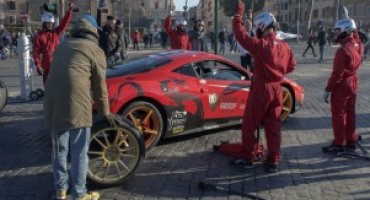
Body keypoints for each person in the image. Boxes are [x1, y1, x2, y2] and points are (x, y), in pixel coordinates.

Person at [44, 14, 121, 200]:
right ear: (94, 32)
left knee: (59, 150)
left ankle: (61, 191)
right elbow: (100, 87)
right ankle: (79, 194)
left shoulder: (62, 46)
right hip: (76, 104)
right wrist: (105, 112)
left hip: (52, 104)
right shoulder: (95, 50)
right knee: (79, 151)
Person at [218, 0, 296, 173]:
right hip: (277, 88)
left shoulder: (261, 45)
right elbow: (291, 66)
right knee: (273, 125)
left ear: (262, 26)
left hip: (262, 88)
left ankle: (247, 156)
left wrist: (238, 13)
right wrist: (276, 71)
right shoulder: (285, 46)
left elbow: (240, 34)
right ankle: (273, 159)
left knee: (249, 124)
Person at [322, 18, 363, 153]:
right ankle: (350, 139)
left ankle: (339, 142)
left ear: (345, 30)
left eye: (338, 30)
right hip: (353, 81)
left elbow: (337, 74)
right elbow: (357, 38)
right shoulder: (357, 44)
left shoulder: (343, 50)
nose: (336, 33)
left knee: (339, 113)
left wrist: (328, 89)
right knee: (350, 112)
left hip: (343, 84)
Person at [32, 3, 74, 84]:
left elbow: (64, 24)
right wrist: (38, 65)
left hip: (57, 63)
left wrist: (69, 11)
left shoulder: (56, 33)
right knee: (48, 85)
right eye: (48, 23)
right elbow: (35, 52)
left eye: (51, 24)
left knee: (58, 85)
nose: (50, 25)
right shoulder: (39, 36)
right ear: (44, 23)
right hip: (46, 65)